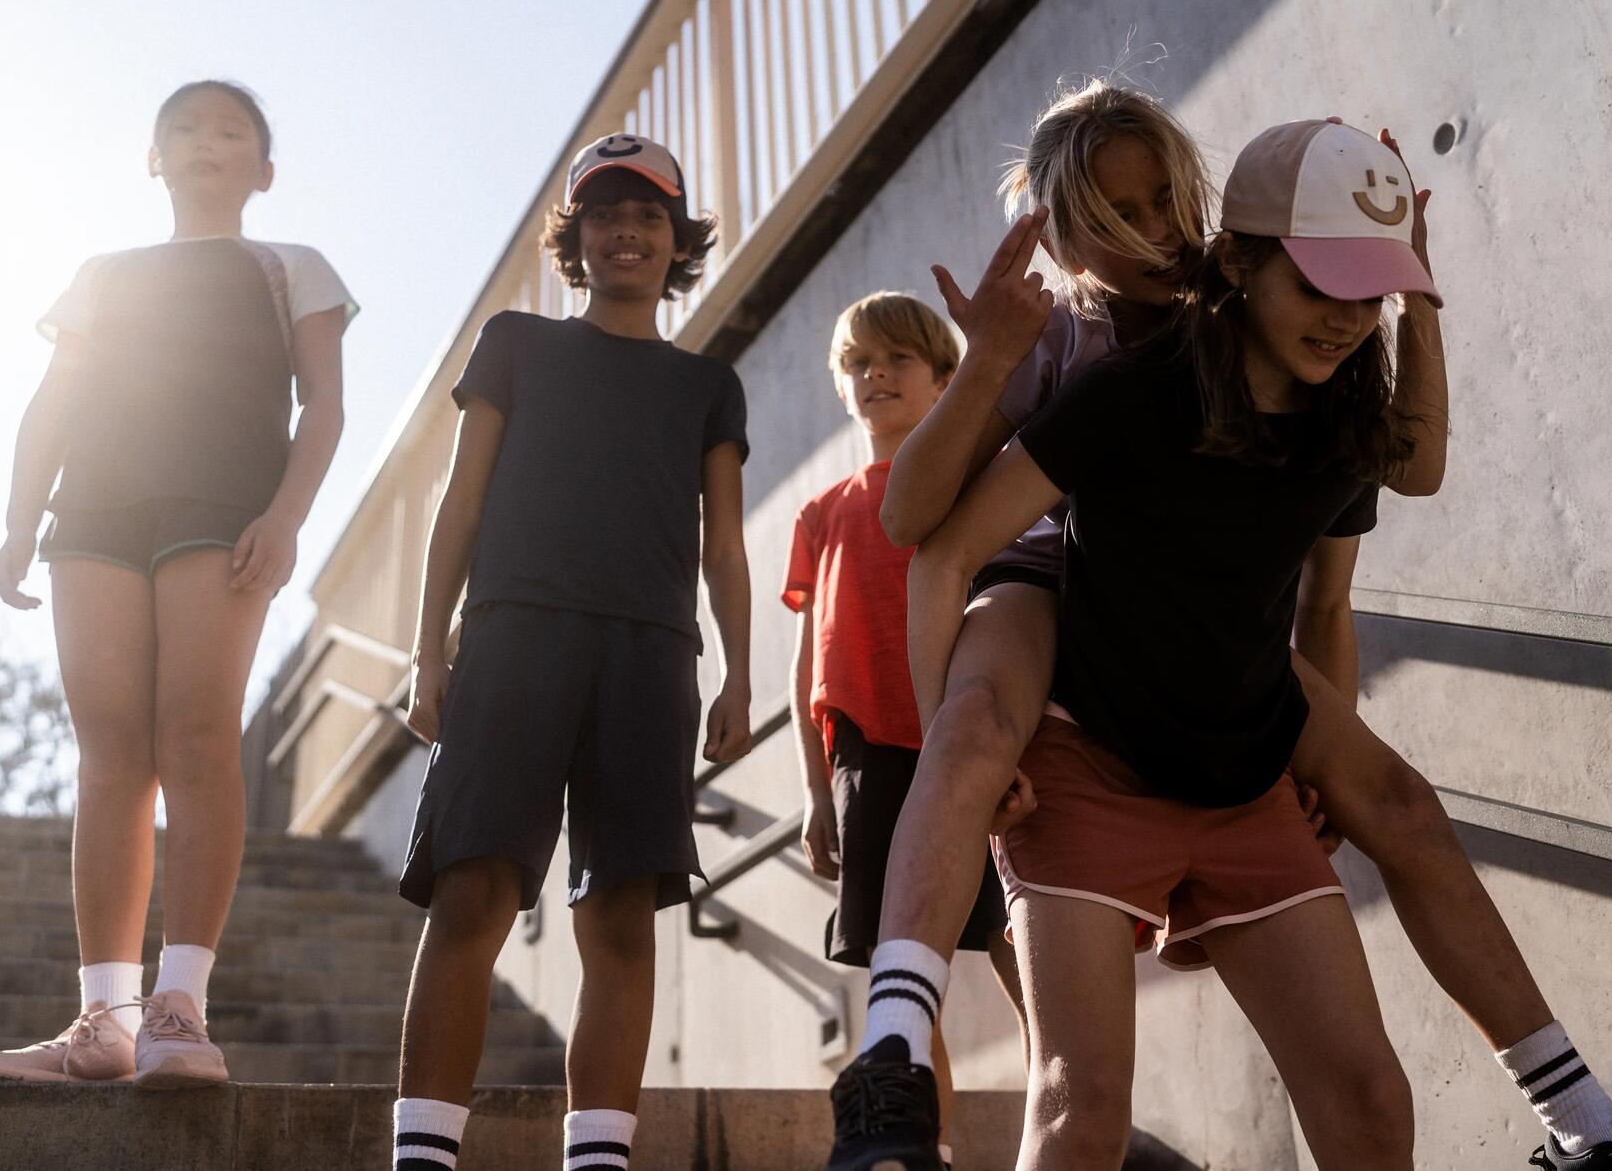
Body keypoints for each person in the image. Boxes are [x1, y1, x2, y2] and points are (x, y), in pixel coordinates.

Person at [825, 81, 1442, 1169]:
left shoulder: (1266, 311)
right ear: (1064, 236)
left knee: (1367, 1055)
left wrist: (1400, 267)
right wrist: (985, 366)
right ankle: (891, 1049)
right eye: (1119, 218)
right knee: (979, 735)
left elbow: (1328, 580)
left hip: (1194, 642)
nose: (1157, 233)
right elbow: (913, 517)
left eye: (1167, 201)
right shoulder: (1067, 337)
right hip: (1048, 582)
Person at [0, 81, 356, 1088]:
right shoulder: (104, 271)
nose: (207, 142)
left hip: (220, 510)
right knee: (110, 750)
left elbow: (323, 406)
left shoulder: (292, 267)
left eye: (232, 131)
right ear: (152, 156)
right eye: (185, 128)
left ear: (264, 170)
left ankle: (179, 1007)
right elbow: (53, 401)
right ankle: (101, 1020)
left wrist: (284, 517)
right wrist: (21, 517)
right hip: (94, 513)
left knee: (193, 735)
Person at [391, 135, 752, 1171]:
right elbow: (460, 503)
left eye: (646, 216)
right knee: (475, 889)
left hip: (651, 653)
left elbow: (724, 544)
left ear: (675, 239)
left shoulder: (707, 386)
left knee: (624, 911)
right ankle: (424, 1155)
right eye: (602, 215)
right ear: (576, 238)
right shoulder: (515, 344)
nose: (624, 233)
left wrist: (739, 668)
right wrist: (429, 650)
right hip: (515, 633)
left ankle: (597, 1156)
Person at [785, 293, 1028, 1171]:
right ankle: (927, 1148)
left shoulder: (970, 483)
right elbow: (807, 660)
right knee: (905, 986)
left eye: (897, 360)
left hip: (970, 745)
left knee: (1023, 957)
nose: (876, 375)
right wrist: (817, 791)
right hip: (871, 759)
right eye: (859, 363)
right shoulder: (821, 513)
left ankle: (1070, 1129)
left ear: (943, 379)